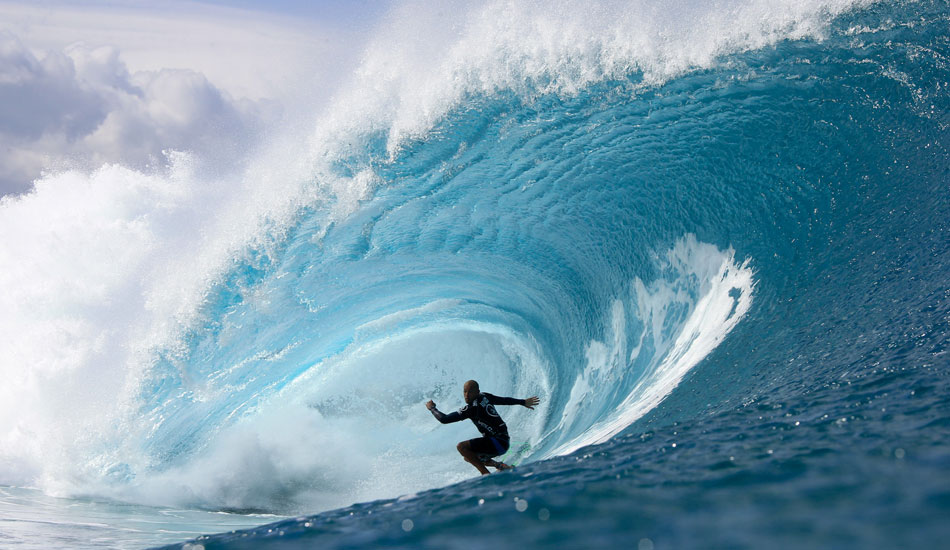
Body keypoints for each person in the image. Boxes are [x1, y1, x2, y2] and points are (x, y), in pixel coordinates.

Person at [426, 380, 540, 475]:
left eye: (470, 392)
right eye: (465, 391)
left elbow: (444, 419)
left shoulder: (471, 409)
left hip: (497, 443)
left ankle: (485, 474)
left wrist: (432, 408)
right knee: (469, 457)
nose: (466, 395)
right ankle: (500, 466)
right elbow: (504, 400)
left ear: (477, 392)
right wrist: (523, 402)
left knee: (462, 447)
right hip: (503, 442)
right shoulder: (485, 396)